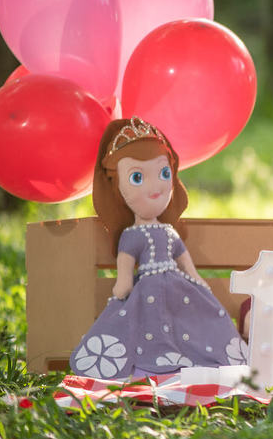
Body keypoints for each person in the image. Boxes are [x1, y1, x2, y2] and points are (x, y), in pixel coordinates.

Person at [69, 117, 247, 379]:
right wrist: (123, 285)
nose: (156, 187)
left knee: (193, 321)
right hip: (146, 291)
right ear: (118, 187)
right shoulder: (130, 236)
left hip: (180, 287)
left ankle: (201, 359)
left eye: (164, 173)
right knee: (150, 325)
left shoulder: (169, 232)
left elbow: (185, 262)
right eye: (138, 177)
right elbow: (125, 271)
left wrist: (196, 279)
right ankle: (153, 364)